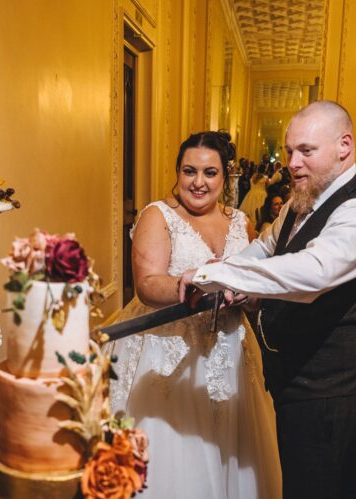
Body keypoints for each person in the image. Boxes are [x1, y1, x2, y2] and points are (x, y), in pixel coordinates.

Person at [179, 101, 356, 499]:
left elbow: (313, 271)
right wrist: (231, 278)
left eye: (306, 151)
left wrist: (213, 275)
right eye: (290, 151)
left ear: (344, 146)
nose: (292, 163)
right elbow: (266, 247)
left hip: (338, 394)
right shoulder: (303, 199)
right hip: (297, 382)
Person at [108, 131, 280, 498]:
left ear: (224, 176)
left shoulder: (241, 223)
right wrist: (192, 284)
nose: (198, 182)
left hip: (231, 349)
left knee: (233, 444)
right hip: (171, 350)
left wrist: (248, 296)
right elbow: (148, 285)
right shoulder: (159, 215)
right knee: (175, 451)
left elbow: (252, 293)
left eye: (209, 172)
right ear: (177, 172)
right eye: (189, 171)